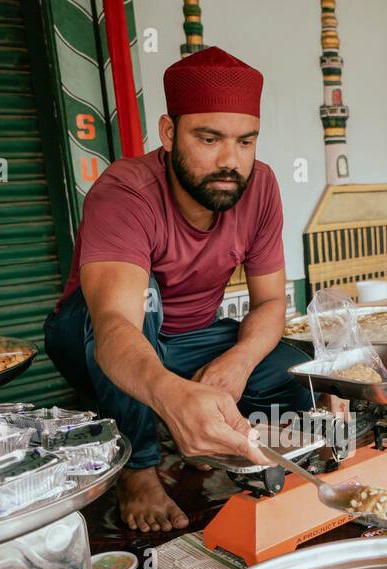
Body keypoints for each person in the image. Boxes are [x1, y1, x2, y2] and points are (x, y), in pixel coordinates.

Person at [43, 47, 312, 533]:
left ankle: (223, 441)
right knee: (142, 300)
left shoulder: (262, 187)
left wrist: (239, 361)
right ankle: (138, 469)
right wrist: (171, 394)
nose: (230, 161)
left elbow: (271, 302)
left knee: (290, 374)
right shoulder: (126, 191)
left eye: (246, 142)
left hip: (191, 339)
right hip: (91, 334)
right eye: (208, 139)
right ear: (169, 134)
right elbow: (113, 325)